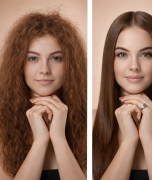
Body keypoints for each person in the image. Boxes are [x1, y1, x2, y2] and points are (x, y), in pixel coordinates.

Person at [93, 11, 152, 180]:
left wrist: (148, 139)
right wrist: (129, 142)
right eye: (122, 54)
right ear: (110, 60)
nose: (134, 66)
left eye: (146, 54)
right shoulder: (89, 123)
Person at [0, 10, 87, 180]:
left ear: (70, 65)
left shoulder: (90, 121)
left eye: (56, 58)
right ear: (18, 65)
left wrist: (59, 139)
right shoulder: (2, 124)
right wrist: (40, 142)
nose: (45, 69)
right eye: (33, 58)